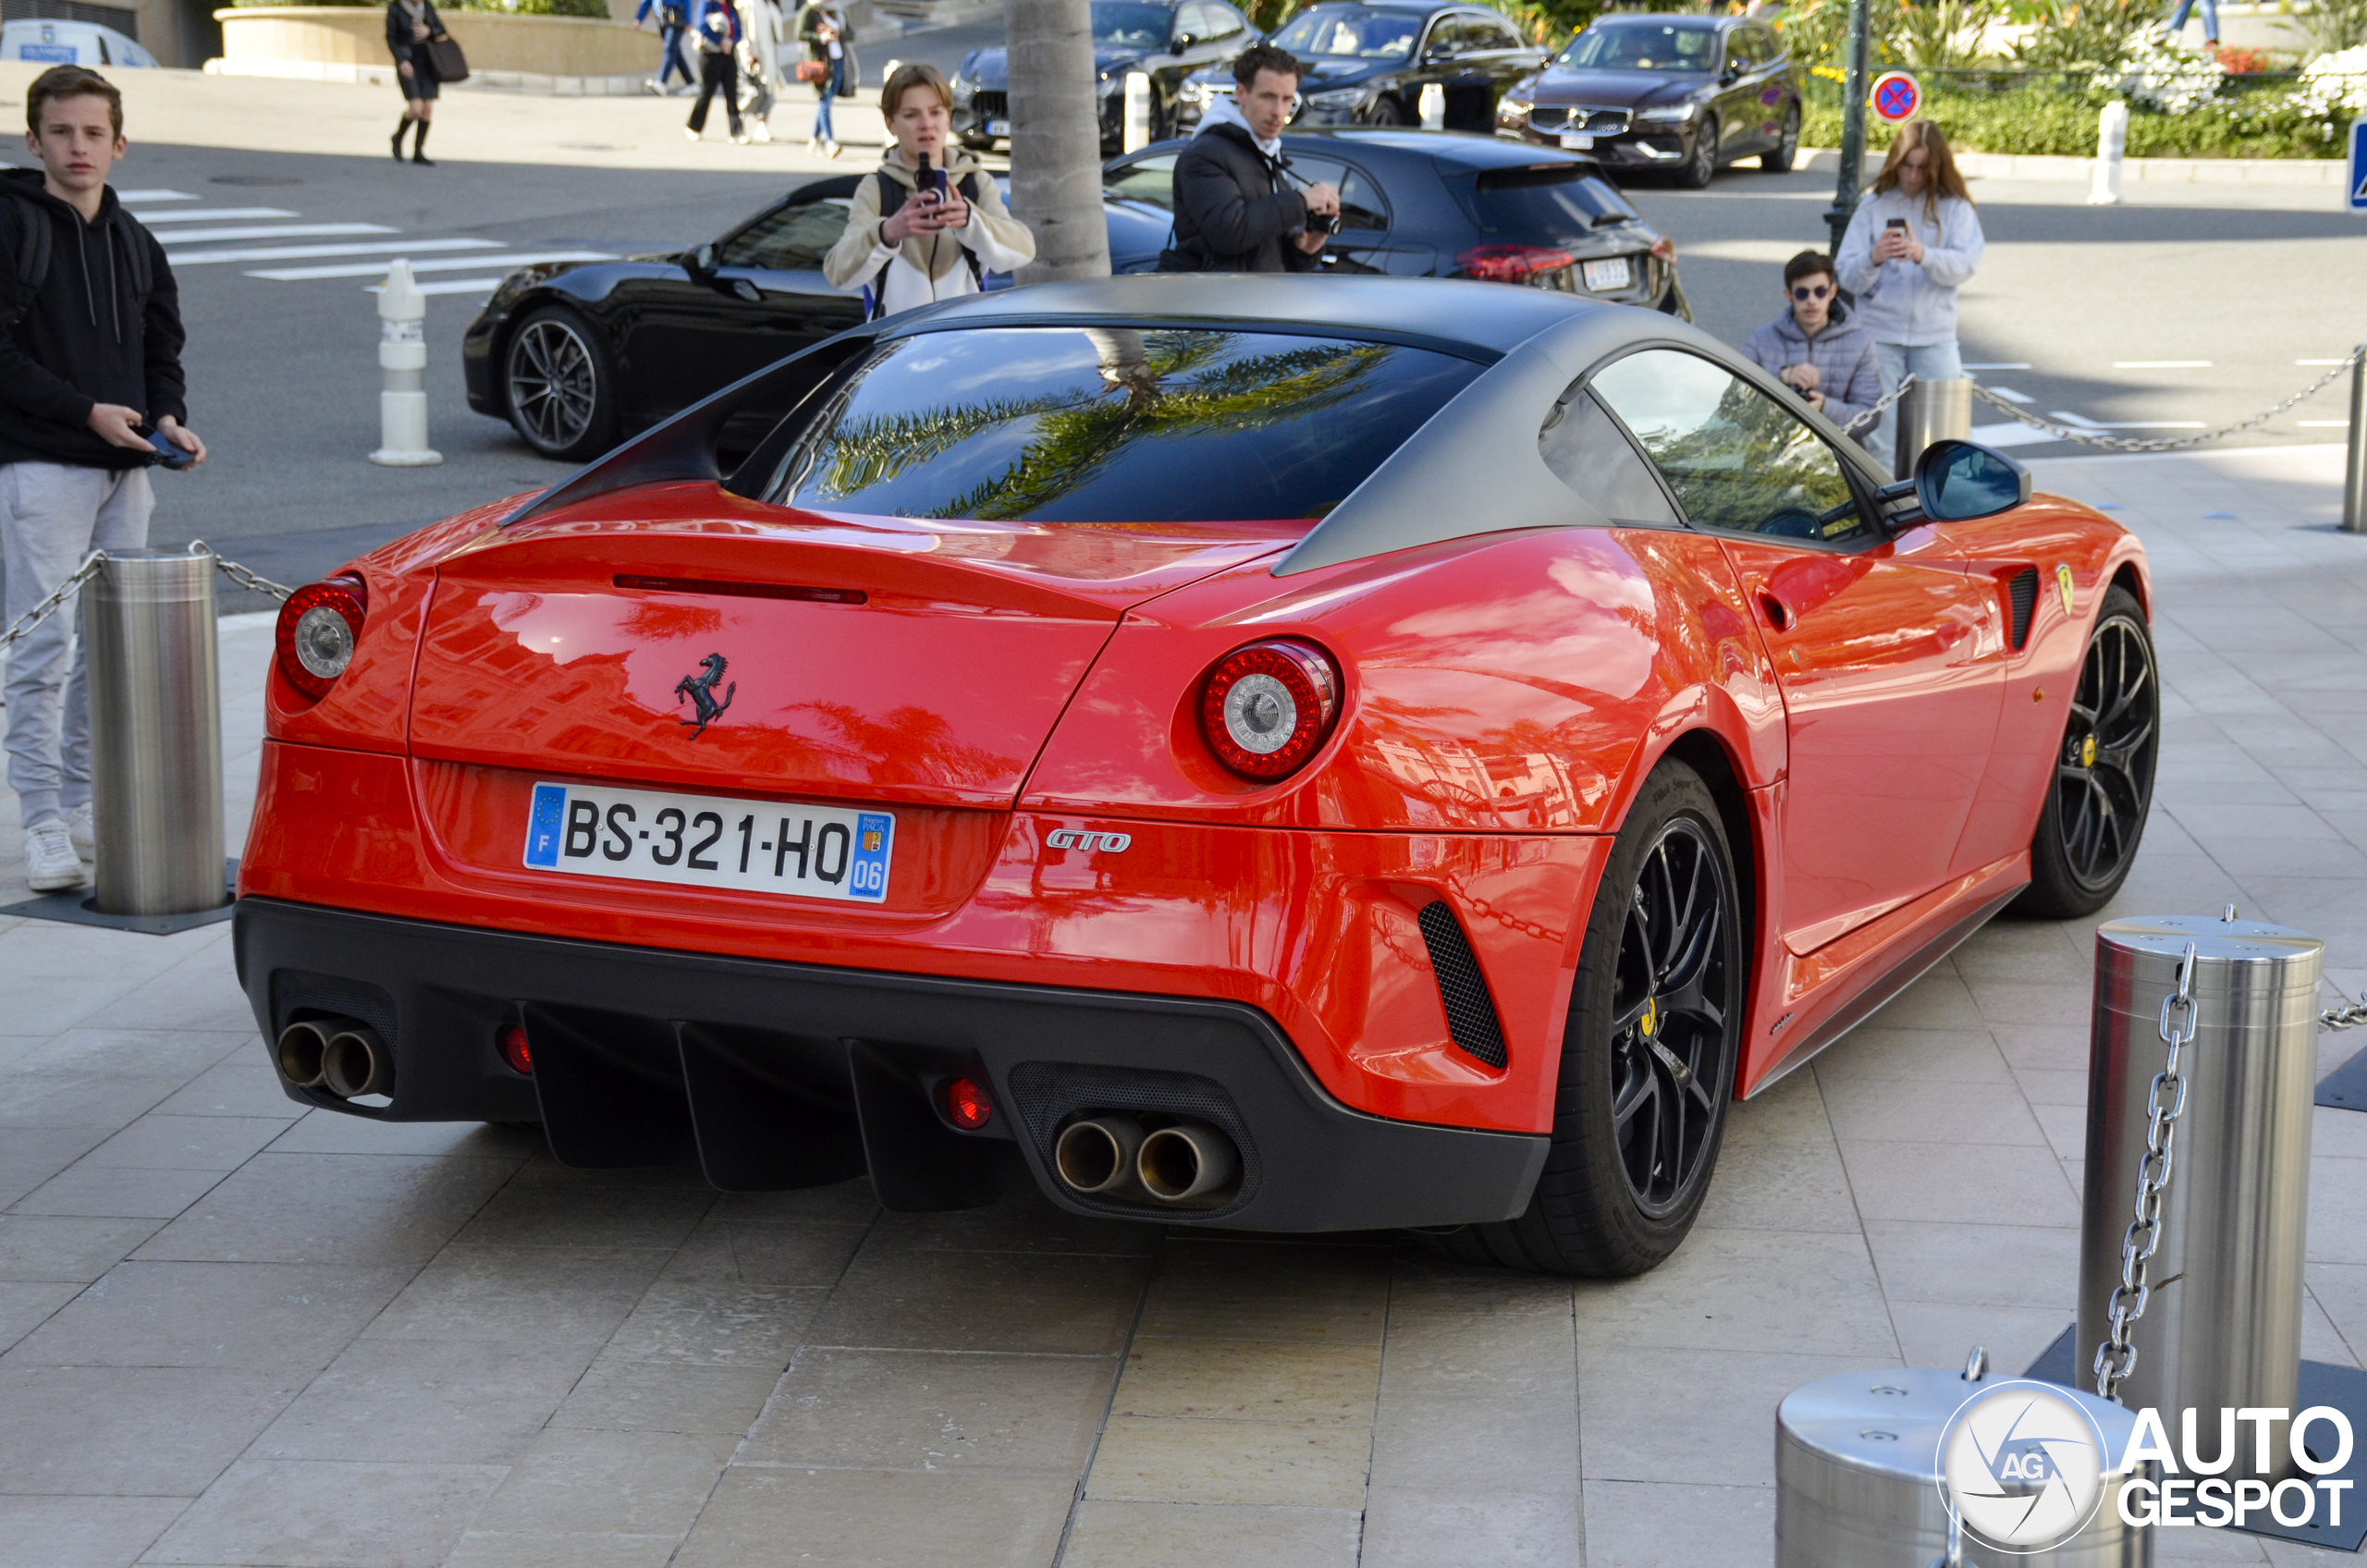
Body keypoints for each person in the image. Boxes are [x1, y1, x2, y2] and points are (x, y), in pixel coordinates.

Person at [1, 67, 203, 893]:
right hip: (43, 467)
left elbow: (163, 348)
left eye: (93, 133)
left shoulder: (134, 239)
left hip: (128, 472)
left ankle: (84, 804)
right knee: (42, 645)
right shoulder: (12, 225)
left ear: (119, 144)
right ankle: (42, 821)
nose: (78, 147)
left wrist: (167, 418)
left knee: (110, 653)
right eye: (61, 132)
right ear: (33, 140)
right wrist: (85, 411)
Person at [823, 62, 1034, 318]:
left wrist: (971, 220)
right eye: (911, 115)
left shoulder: (975, 182)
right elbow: (838, 274)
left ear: (949, 117)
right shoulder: (877, 188)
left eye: (935, 112)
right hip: (898, 350)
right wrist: (888, 233)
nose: (926, 124)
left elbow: (1022, 253)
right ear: (891, 124)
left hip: (960, 347)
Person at [1836, 118, 1983, 470]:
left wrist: (1923, 254)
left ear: (1937, 167)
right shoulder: (1873, 206)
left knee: (1943, 439)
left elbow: (1967, 265)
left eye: (1922, 168)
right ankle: (1886, 512)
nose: (1913, 176)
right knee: (1880, 437)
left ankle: (1936, 510)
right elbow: (1845, 273)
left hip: (1935, 336)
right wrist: (1874, 257)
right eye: (1907, 165)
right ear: (1895, 161)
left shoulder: (1956, 208)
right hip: (1880, 334)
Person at [1160, 43, 1339, 273]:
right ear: (1241, 94)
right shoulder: (1204, 155)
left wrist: (1305, 247)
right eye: (1268, 97)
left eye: (1287, 100)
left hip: (1260, 302)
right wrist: (1301, 202)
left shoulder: (1268, 152)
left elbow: (1267, 255)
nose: (1279, 111)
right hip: (1214, 302)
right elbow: (1229, 234)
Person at [1744, 249, 1883, 441]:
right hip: (1772, 450)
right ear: (1788, 295)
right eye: (1802, 293)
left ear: (1832, 292)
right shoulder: (1762, 340)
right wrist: (1783, 375)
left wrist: (1824, 408)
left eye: (1820, 292)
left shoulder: (1860, 342)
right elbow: (1736, 401)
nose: (1811, 301)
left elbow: (1870, 416)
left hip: (1837, 454)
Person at [385, 0, 444, 165]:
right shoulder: (395, 9)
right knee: (416, 108)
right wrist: (401, 60)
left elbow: (441, 29)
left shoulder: (427, 7)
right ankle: (397, 138)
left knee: (427, 109)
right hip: (408, 62)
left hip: (428, 62)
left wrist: (429, 30)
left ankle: (418, 152)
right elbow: (391, 37)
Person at [685, 0, 745, 143]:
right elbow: (702, 26)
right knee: (707, 92)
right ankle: (693, 127)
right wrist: (721, 40)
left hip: (728, 54)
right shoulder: (707, 4)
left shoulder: (730, 6)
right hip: (710, 55)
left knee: (732, 93)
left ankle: (737, 132)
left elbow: (738, 30)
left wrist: (731, 41)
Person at [800, 1, 848, 157]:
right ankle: (830, 142)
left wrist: (838, 33)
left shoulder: (836, 11)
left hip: (837, 61)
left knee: (825, 103)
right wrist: (821, 38)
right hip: (822, 64)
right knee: (825, 102)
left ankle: (813, 140)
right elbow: (801, 33)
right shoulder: (809, 11)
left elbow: (851, 33)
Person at [736, 0, 785, 142]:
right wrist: (746, 51)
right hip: (755, 54)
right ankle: (739, 123)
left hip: (769, 55)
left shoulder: (770, 4)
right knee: (752, 92)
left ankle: (763, 125)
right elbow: (742, 27)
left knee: (770, 91)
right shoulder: (748, 3)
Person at [636, 0, 694, 95]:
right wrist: (639, 18)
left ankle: (662, 82)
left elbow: (687, 1)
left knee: (670, 48)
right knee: (675, 52)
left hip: (675, 15)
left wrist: (688, 21)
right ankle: (691, 83)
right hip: (662, 17)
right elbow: (647, 2)